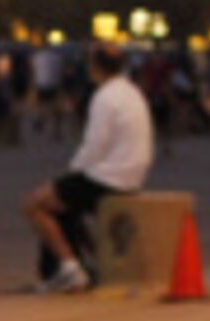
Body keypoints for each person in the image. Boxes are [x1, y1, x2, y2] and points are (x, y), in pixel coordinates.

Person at [22, 46, 153, 294]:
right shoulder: (132, 93)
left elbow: (94, 146)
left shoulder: (104, 97)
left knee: (34, 205)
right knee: (62, 203)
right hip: (132, 175)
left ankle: (71, 268)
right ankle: (67, 267)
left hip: (106, 177)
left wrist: (71, 173)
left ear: (95, 67)